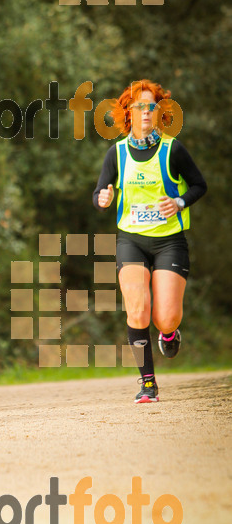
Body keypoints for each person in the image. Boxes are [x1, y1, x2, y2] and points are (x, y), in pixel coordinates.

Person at [93, 79, 207, 403]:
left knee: (165, 317)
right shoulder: (115, 153)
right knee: (138, 309)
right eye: (139, 106)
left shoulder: (173, 149)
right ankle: (147, 383)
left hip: (170, 240)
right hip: (131, 239)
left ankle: (168, 333)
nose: (145, 112)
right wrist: (102, 197)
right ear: (129, 112)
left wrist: (180, 202)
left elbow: (200, 185)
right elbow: (99, 192)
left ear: (159, 112)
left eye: (151, 106)